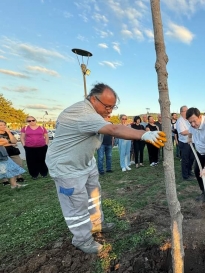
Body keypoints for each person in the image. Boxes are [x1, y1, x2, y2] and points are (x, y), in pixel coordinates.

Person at [45, 83, 166, 254]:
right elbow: (114, 129)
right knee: (76, 205)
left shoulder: (93, 113)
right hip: (67, 168)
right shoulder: (81, 112)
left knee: (93, 197)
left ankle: (96, 224)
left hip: (86, 163)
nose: (110, 110)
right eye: (107, 106)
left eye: (113, 106)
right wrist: (144, 134)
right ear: (93, 99)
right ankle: (82, 239)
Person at [0, 120, 24, 184]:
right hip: (2, 152)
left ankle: (19, 177)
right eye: (1, 125)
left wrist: (9, 133)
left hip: (12, 151)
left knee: (18, 163)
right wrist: (10, 144)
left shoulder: (8, 132)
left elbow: (14, 141)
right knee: (3, 166)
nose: (3, 126)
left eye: (4, 125)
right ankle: (5, 180)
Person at [176, 106, 195, 181]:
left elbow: (190, 130)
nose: (187, 111)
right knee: (185, 160)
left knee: (192, 158)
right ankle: (185, 175)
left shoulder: (188, 120)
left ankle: (189, 171)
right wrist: (192, 129)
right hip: (184, 143)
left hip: (191, 142)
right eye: (186, 110)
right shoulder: (180, 121)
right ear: (181, 112)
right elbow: (183, 132)